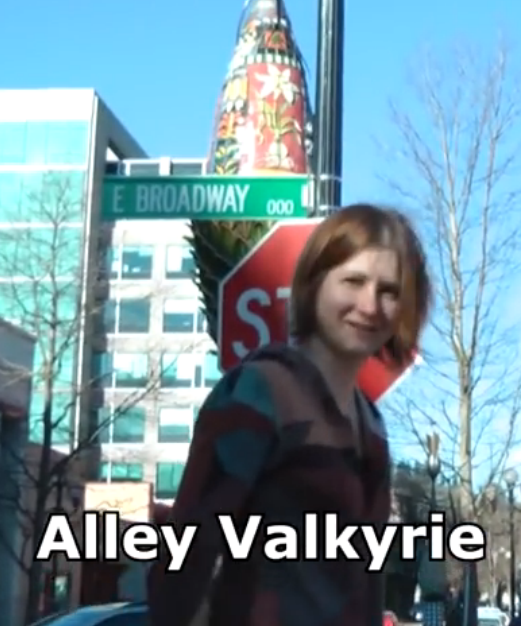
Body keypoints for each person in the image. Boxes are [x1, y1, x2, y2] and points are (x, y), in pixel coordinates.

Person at [148, 203, 432, 626]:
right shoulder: (261, 391)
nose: (370, 305)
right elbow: (186, 555)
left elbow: (366, 581)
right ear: (315, 284)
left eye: (389, 291)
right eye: (353, 281)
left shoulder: (372, 425)